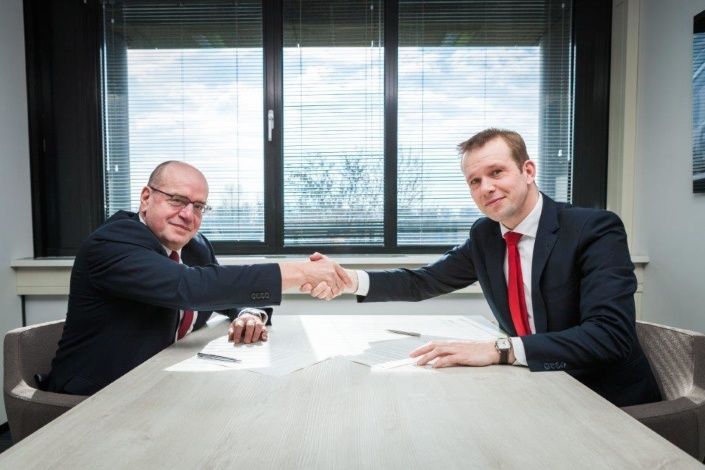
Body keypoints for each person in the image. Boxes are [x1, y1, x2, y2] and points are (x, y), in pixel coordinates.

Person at [306, 128, 660, 407]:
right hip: (534, 386)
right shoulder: (486, 235)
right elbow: (424, 281)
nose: (486, 187)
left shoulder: (593, 228)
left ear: (528, 170)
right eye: (474, 181)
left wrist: (499, 348)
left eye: (496, 172)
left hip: (606, 399)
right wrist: (349, 280)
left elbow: (609, 336)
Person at [47, 161, 351, 395]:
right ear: (145, 198)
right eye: (177, 200)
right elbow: (189, 288)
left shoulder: (194, 245)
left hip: (161, 380)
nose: (189, 215)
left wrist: (248, 313)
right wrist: (301, 272)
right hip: (96, 394)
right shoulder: (112, 244)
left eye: (199, 206)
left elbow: (217, 288)